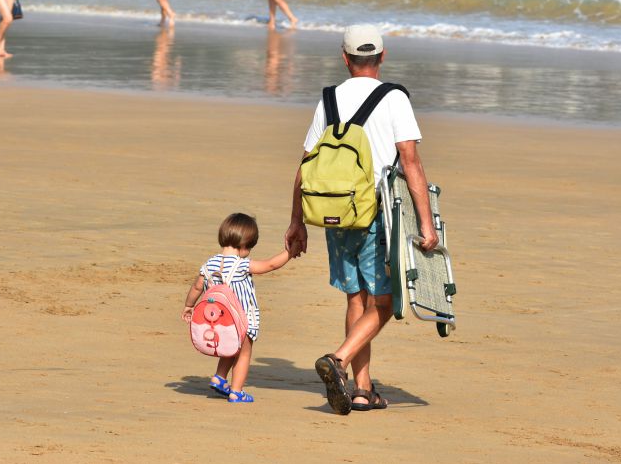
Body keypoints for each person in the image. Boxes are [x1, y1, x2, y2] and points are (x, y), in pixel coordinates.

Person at [283, 27, 438, 415]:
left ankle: (361, 389)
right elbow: (410, 160)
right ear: (383, 56)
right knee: (386, 301)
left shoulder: (329, 98)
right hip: (377, 212)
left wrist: (296, 222)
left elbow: (305, 166)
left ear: (345, 57)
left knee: (357, 296)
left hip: (335, 211)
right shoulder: (394, 97)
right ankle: (338, 360)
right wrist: (427, 223)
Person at [182, 213, 293, 403]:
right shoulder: (241, 265)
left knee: (229, 347)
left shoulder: (209, 264)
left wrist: (188, 305)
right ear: (244, 246)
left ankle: (219, 378)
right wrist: (290, 252)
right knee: (244, 352)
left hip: (217, 321)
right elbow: (271, 265)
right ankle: (236, 391)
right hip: (240, 319)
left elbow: (197, 287)